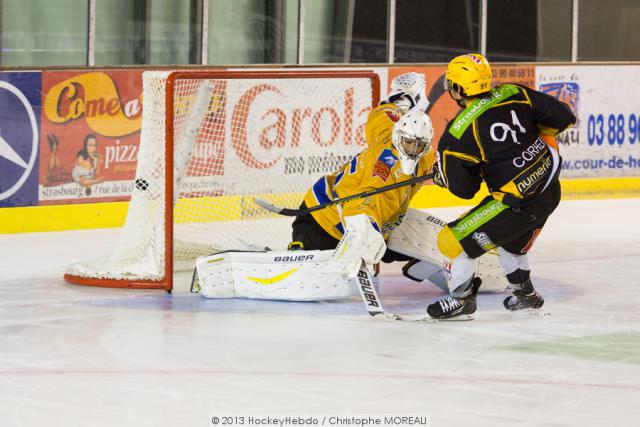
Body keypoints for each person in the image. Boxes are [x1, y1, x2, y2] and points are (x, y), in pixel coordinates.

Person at [426, 53, 576, 320]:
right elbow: (564, 117)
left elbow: (464, 190)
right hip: (549, 191)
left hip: (516, 204)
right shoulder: (513, 92)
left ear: (458, 88)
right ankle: (526, 295)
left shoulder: (458, 134)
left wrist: (444, 177)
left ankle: (461, 301)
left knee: (451, 240)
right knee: (511, 244)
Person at [288, 72, 436, 276]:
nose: (412, 148)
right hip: (323, 219)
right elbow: (358, 203)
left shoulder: (419, 153)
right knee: (313, 272)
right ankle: (299, 250)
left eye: (419, 145)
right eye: (408, 142)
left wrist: (404, 101)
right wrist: (364, 228)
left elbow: (381, 114)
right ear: (398, 134)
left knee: (430, 244)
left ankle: (444, 271)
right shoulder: (382, 163)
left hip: (381, 224)